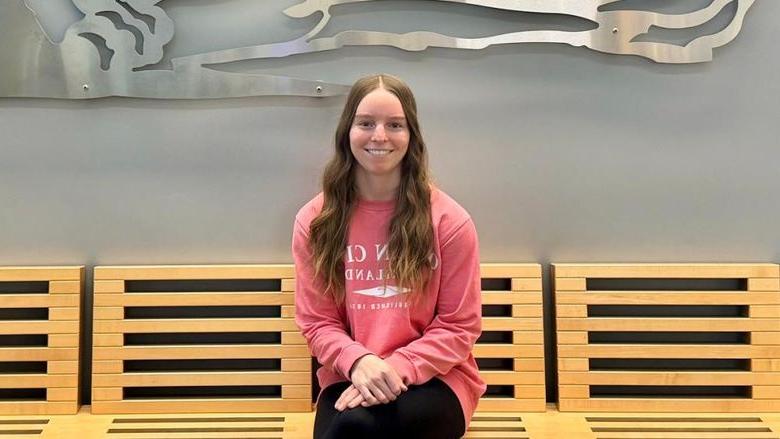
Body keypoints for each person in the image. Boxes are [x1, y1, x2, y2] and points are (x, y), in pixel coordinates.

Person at [292, 73, 485, 439]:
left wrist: (395, 366)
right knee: (351, 427)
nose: (379, 136)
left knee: (352, 429)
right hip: (348, 375)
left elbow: (460, 327)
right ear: (347, 132)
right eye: (366, 123)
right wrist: (360, 361)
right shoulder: (316, 222)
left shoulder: (449, 221)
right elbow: (317, 323)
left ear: (411, 136)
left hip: (437, 380)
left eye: (394, 125)